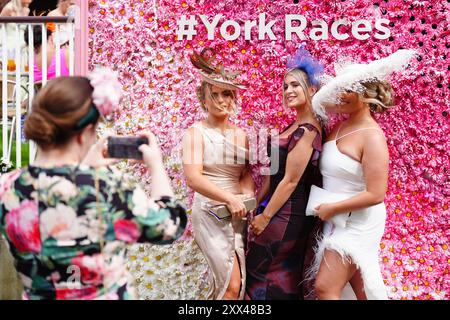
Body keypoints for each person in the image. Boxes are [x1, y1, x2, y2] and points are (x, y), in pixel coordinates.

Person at [0, 70, 187, 300]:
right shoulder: (109, 187)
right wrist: (156, 166)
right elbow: (169, 226)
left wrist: (86, 165)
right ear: (85, 132)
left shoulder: (7, 187)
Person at [310, 49, 416, 300]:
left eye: (349, 89)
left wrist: (332, 208)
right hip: (336, 217)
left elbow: (376, 193)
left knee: (326, 287)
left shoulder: (372, 136)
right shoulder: (340, 125)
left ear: (366, 94)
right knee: (360, 287)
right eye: (341, 89)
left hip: (359, 220)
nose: (342, 95)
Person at [245, 47, 324, 300]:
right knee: (261, 276)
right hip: (273, 208)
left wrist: (265, 217)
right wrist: (255, 205)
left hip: (288, 215)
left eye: (295, 86)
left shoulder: (310, 130)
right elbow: (272, 173)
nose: (288, 91)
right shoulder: (292, 126)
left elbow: (290, 181)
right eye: (285, 86)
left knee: (271, 277)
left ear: (311, 90)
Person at [182, 48, 255, 300]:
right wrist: (229, 198)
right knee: (230, 284)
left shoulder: (242, 135)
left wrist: (247, 196)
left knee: (238, 284)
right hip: (211, 213)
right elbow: (193, 178)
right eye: (215, 95)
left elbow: (244, 173)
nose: (223, 100)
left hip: (237, 213)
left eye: (227, 94)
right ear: (204, 99)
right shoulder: (195, 133)